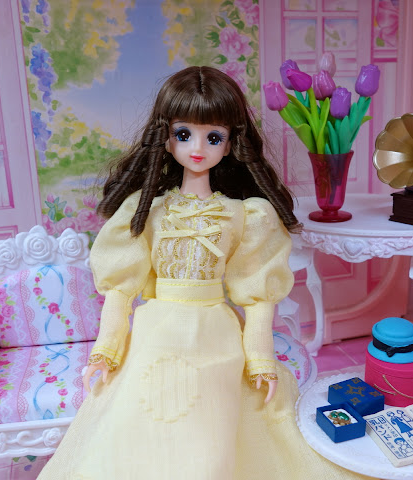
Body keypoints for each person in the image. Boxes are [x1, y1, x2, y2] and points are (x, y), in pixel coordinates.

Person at [38, 66, 368, 480]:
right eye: (184, 134)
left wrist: (261, 360)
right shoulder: (145, 210)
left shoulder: (245, 215)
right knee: (139, 422)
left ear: (230, 144)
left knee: (214, 427)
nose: (197, 148)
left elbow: (257, 296)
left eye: (213, 137)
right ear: (165, 137)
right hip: (157, 329)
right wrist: (105, 352)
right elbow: (120, 292)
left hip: (215, 329)